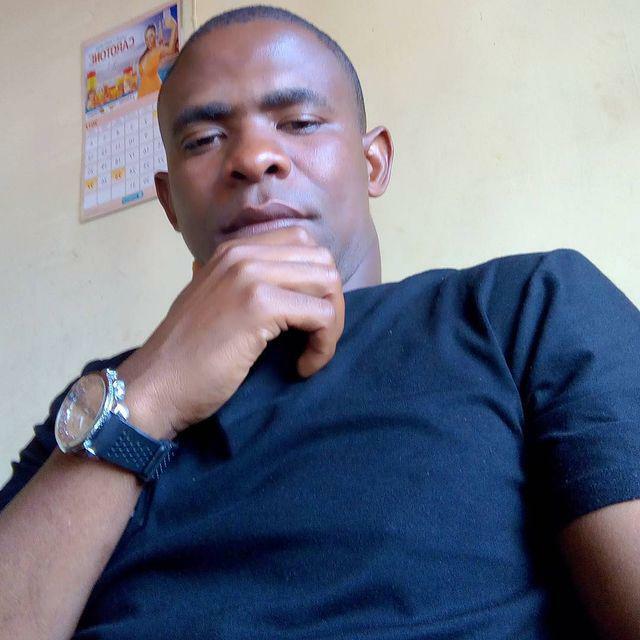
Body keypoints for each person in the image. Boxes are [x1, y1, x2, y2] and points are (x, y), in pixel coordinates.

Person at [2, 6, 640, 640]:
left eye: (300, 122)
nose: (254, 158)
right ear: (170, 203)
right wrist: (150, 395)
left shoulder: (524, 308)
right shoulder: (99, 402)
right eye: (203, 140)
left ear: (374, 163)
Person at [137, 12, 178, 98]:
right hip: (143, 95)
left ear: (155, 36)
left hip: (155, 91)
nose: (148, 40)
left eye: (151, 36)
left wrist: (174, 27)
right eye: (146, 38)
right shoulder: (145, 55)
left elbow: (171, 49)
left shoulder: (158, 50)